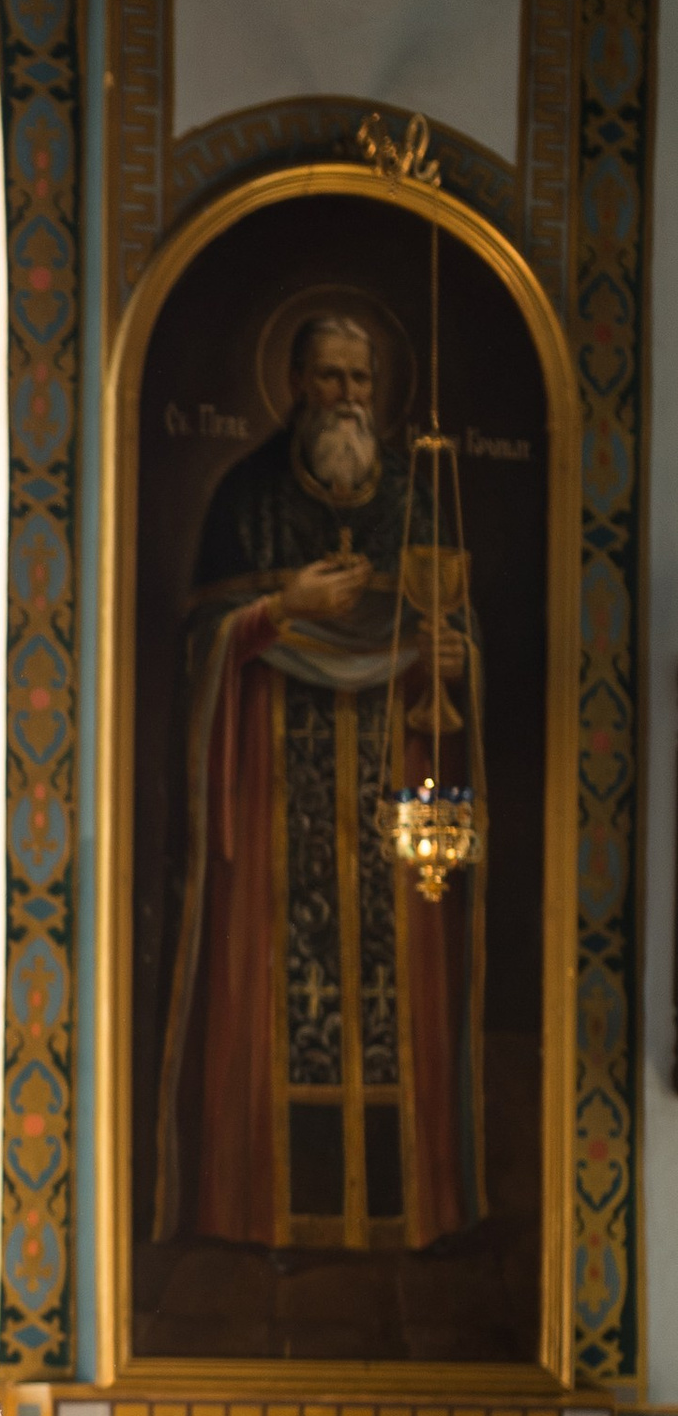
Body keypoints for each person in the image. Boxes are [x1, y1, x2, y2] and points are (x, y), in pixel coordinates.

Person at [154, 306, 482, 1251]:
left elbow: (450, 637)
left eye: (361, 379)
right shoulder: (247, 495)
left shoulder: (416, 499)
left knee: (393, 992)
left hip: (389, 782)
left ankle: (406, 1207)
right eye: (330, 376)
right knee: (273, 986)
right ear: (296, 384)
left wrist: (453, 659)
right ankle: (258, 1207)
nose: (347, 396)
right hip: (273, 791)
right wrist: (279, 608)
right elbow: (202, 641)